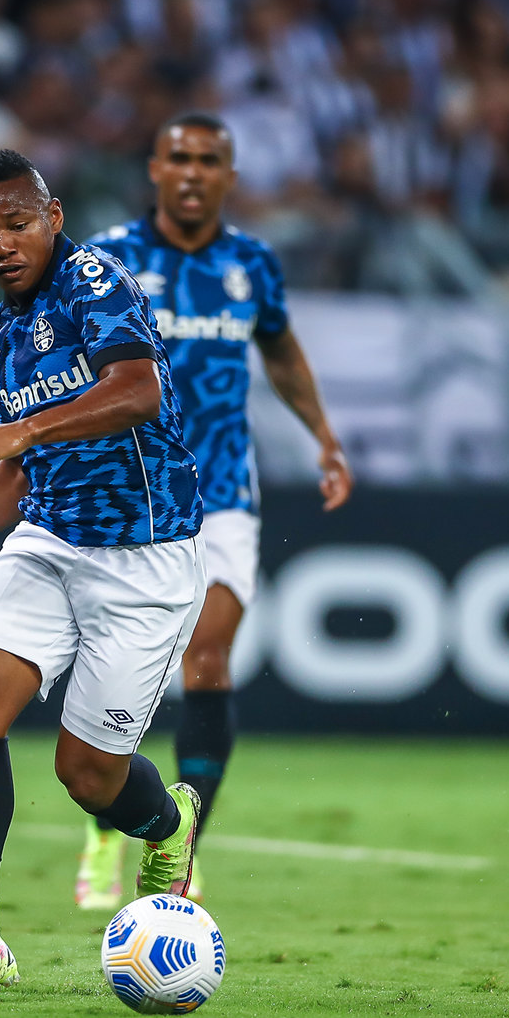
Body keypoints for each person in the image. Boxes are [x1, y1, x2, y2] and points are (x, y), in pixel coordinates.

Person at [0, 149, 205, 1001]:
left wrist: (24, 430)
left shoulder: (95, 282)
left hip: (145, 556)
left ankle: (169, 823)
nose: (2, 245)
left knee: (88, 776)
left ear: (52, 217)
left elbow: (137, 391)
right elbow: (20, 475)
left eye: (17, 224)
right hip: (50, 540)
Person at [81, 112, 352, 909]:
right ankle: (106, 826)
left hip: (224, 491)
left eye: (208, 159)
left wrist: (324, 435)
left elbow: (281, 350)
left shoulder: (252, 262)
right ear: (155, 169)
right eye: (179, 157)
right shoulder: (107, 259)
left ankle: (182, 845)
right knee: (126, 669)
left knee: (207, 658)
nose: (193, 171)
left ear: (230, 176)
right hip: (130, 491)